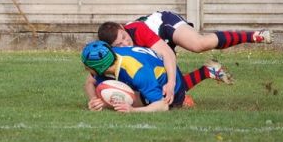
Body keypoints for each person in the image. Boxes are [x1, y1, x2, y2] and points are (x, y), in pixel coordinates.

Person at [97, 11, 273, 104]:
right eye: (118, 46)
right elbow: (91, 77)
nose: (125, 45)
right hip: (154, 50)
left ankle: (254, 35)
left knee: (199, 44)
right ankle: (208, 71)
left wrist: (171, 84)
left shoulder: (137, 30)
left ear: (123, 27)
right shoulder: (114, 54)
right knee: (159, 84)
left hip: (164, 26)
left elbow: (166, 53)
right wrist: (97, 99)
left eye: (124, 38)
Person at [81, 41, 232, 113]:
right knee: (110, 92)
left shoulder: (137, 73)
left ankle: (184, 97)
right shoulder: (110, 55)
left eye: (87, 66)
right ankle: (206, 71)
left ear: (100, 67)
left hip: (172, 88)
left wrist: (132, 111)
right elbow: (89, 82)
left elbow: (162, 106)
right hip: (152, 68)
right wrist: (95, 100)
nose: (85, 69)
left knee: (136, 100)